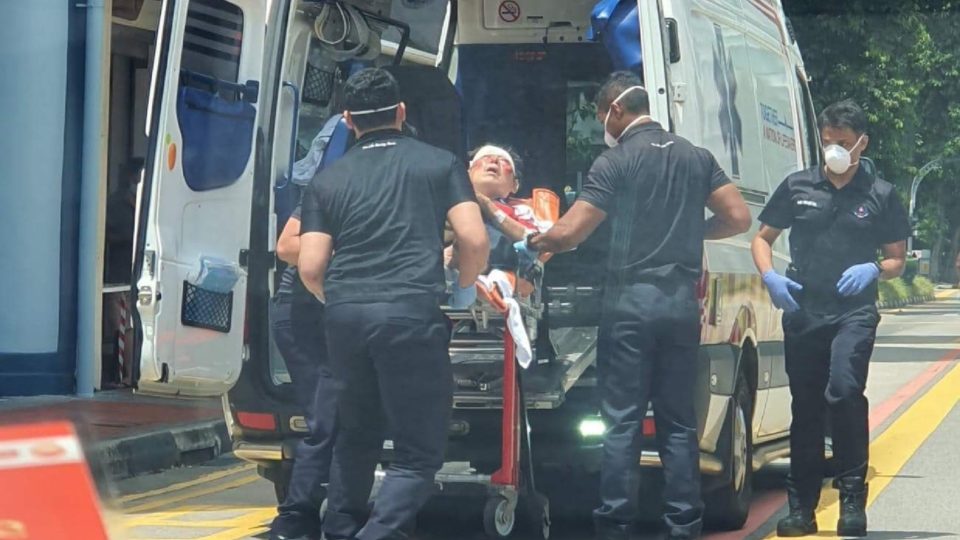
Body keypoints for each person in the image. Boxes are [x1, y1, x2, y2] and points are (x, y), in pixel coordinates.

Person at [522, 71, 751, 540]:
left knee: (622, 423)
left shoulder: (615, 161)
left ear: (616, 111)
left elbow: (570, 233)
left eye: (602, 114)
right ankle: (684, 524)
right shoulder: (696, 157)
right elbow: (738, 216)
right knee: (677, 424)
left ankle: (616, 524)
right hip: (680, 306)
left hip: (629, 306)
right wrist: (693, 233)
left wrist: (528, 240)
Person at [297, 68, 488, 540]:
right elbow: (473, 237)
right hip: (409, 311)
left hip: (344, 316)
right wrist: (461, 284)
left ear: (347, 120)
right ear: (401, 112)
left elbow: (310, 266)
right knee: (418, 450)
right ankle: (378, 534)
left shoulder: (327, 180)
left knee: (356, 435)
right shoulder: (439, 164)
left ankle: (339, 528)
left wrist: (338, 298)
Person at [751, 99, 909, 538]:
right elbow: (762, 239)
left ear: (862, 143)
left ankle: (852, 500)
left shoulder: (881, 194)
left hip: (853, 312)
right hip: (804, 309)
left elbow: (898, 259)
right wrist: (770, 277)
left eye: (842, 142)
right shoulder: (799, 186)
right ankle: (801, 507)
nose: (834, 150)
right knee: (805, 409)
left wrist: (874, 269)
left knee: (842, 392)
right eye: (827, 142)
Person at [268, 205, 339, 540]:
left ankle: (335, 513)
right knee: (325, 419)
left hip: (348, 314)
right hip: (305, 312)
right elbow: (286, 247)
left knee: (345, 418)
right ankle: (295, 519)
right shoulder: (330, 189)